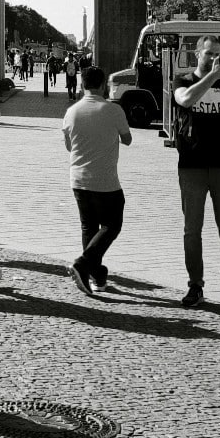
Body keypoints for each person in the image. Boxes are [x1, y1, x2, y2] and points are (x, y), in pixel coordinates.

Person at [172, 37, 220, 310]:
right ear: (197, 53)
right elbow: (186, 101)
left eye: (218, 55)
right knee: (192, 231)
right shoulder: (184, 81)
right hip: (192, 164)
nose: (214, 58)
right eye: (209, 53)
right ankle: (195, 285)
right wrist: (212, 76)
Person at [62, 65, 133, 297]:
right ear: (104, 85)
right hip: (106, 181)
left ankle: (97, 276)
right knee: (112, 225)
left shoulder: (71, 112)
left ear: (82, 84)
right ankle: (83, 264)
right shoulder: (113, 110)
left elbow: (69, 146)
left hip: (78, 179)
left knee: (89, 227)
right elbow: (127, 139)